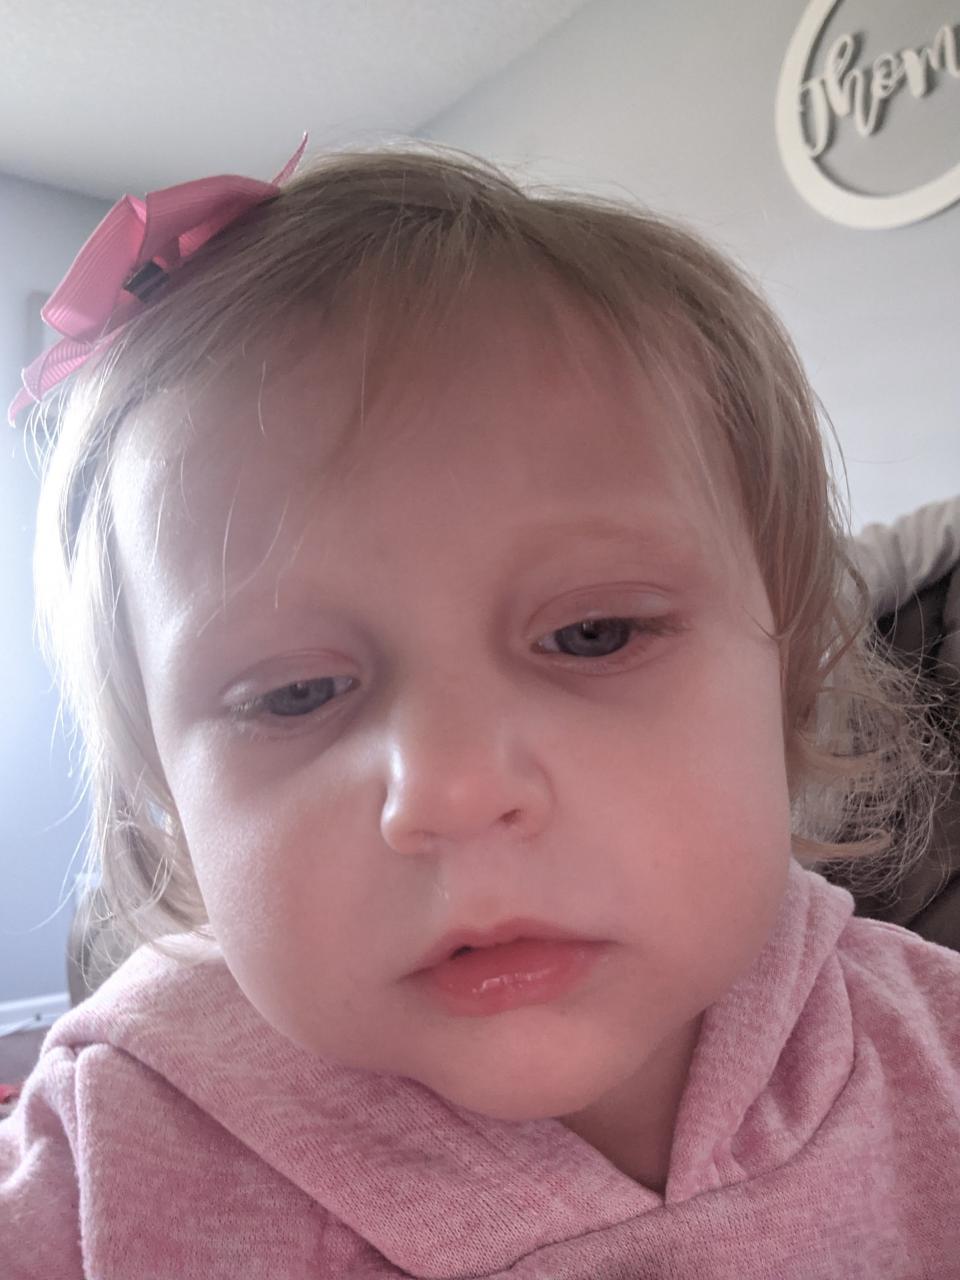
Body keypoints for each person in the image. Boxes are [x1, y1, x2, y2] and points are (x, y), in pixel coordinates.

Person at [1, 139, 957, 1279]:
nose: (453, 789)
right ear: (168, 799)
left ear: (787, 675)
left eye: (594, 634)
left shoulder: (928, 1041)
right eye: (297, 692)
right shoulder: (108, 1146)